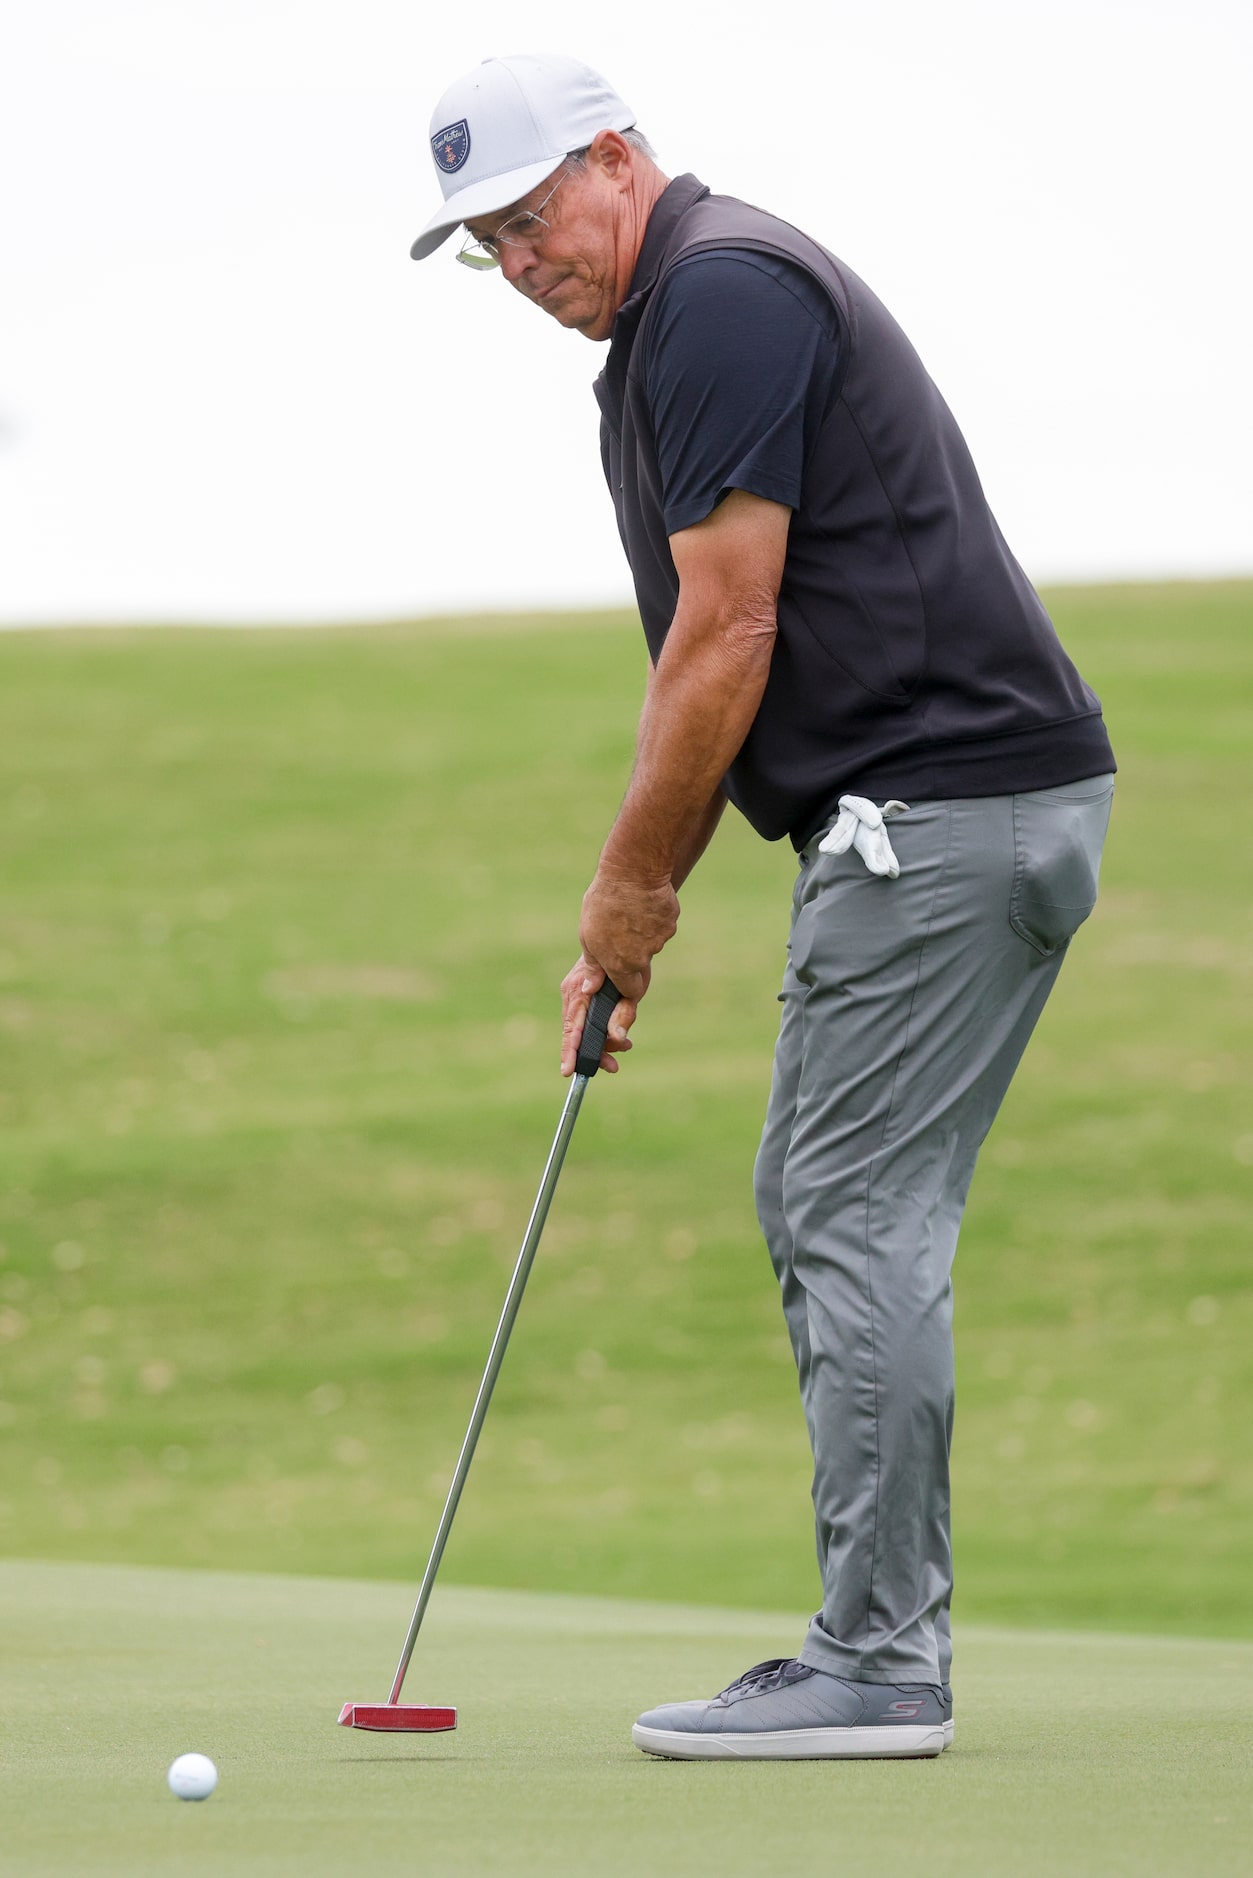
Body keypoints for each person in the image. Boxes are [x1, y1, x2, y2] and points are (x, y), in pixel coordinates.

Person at [411, 53, 1115, 1761]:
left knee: (849, 1212)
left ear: (616, 157)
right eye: (484, 246)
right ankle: (875, 1644)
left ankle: (876, 1663)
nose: (519, 263)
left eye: (529, 218)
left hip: (939, 805)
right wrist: (633, 906)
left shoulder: (715, 290)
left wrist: (629, 891)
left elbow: (725, 634)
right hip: (944, 809)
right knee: (838, 1202)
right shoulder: (677, 318)